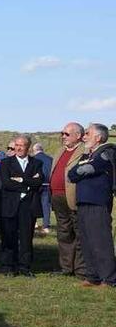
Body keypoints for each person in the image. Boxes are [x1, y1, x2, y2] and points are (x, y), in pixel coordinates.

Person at [68, 123, 116, 288]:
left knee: (101, 241)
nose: (84, 136)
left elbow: (91, 168)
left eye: (88, 133)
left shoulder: (107, 153)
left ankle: (108, 278)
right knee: (87, 240)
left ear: (98, 137)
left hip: (98, 203)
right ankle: (92, 276)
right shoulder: (86, 155)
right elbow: (71, 174)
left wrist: (83, 169)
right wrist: (82, 169)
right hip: (83, 202)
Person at [0, 135, 43, 277]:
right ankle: (8, 266)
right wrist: (28, 186)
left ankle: (25, 267)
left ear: (28, 147)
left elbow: (39, 182)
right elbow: (6, 183)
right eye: (16, 145)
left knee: (26, 237)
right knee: (8, 236)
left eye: (21, 145)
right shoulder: (5, 163)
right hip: (10, 205)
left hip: (28, 206)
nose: (18, 148)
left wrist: (22, 179)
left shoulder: (37, 163)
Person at [49, 122, 86, 278]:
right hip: (57, 197)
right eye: (62, 133)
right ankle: (66, 267)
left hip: (74, 197)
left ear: (78, 136)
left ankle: (81, 269)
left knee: (79, 232)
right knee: (64, 233)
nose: (63, 136)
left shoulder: (84, 151)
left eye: (67, 134)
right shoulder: (60, 151)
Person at [31, 143, 53, 235]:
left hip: (36, 184)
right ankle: (46, 225)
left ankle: (34, 223)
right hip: (47, 184)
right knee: (46, 205)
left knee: (33, 203)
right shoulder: (50, 159)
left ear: (34, 150)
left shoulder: (33, 159)